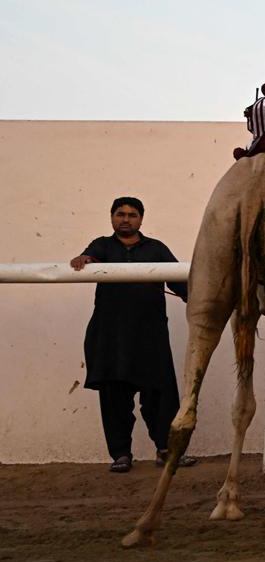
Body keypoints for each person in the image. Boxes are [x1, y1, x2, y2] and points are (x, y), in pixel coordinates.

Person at [71, 197, 196, 473]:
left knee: (161, 395)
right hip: (110, 338)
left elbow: (180, 281)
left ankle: (168, 450)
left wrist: (200, 299)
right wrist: (85, 260)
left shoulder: (156, 248)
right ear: (112, 217)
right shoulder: (102, 245)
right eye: (120, 214)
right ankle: (121, 455)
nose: (126, 219)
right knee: (114, 397)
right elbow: (88, 259)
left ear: (141, 219)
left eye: (132, 214)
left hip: (150, 336)